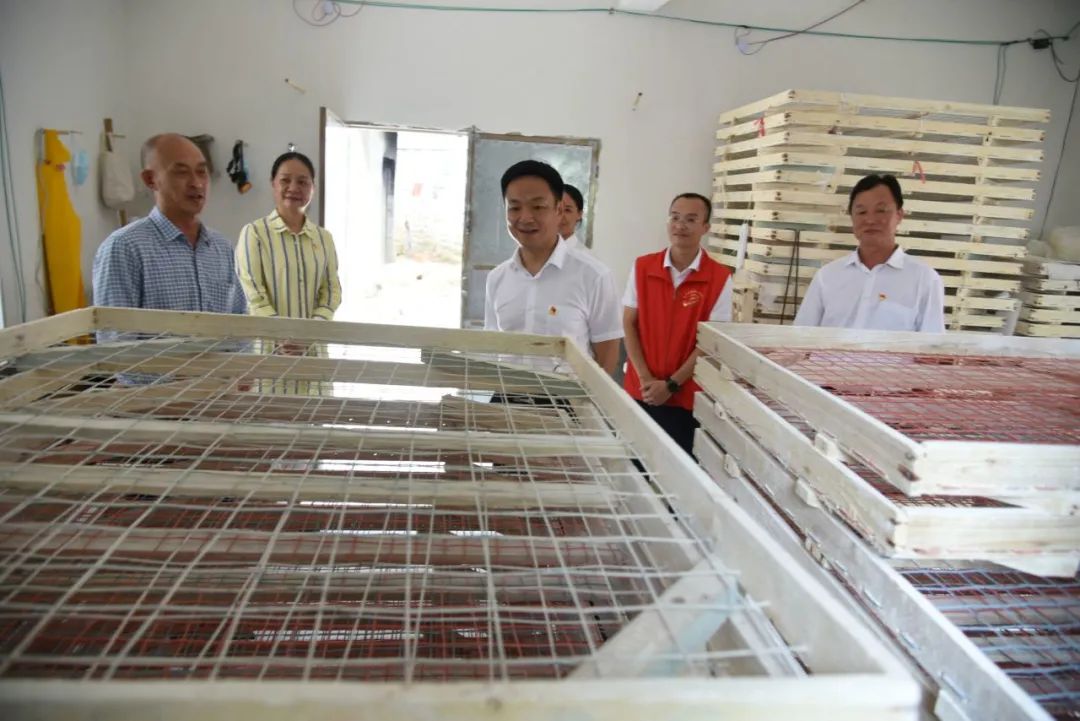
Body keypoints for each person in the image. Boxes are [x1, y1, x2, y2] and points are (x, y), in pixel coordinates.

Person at [484, 160, 622, 375]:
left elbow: (607, 354)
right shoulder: (497, 278)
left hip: (569, 393)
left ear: (558, 210)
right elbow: (492, 346)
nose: (525, 218)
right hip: (507, 391)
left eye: (538, 207)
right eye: (514, 207)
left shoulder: (594, 276)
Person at [623, 192, 732, 456]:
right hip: (641, 390)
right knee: (633, 464)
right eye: (675, 217)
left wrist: (672, 384)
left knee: (680, 467)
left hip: (686, 397)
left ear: (705, 227)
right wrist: (646, 379)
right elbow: (628, 324)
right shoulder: (643, 267)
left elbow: (710, 342)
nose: (680, 225)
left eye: (691, 219)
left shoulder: (719, 277)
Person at [92, 133, 246, 315]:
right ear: (150, 179)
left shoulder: (221, 247)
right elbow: (114, 330)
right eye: (181, 172)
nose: (196, 183)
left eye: (201, 172)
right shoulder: (124, 247)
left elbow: (239, 321)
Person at [794, 173, 945, 332]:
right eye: (861, 212)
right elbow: (799, 336)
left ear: (899, 215)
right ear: (852, 218)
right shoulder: (827, 277)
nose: (870, 220)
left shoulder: (924, 279)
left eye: (881, 210)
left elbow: (933, 343)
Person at [235, 151, 342, 321]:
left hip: (314, 336)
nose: (293, 188)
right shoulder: (254, 233)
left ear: (313, 187)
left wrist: (315, 326)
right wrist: (282, 332)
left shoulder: (324, 238)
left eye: (302, 182)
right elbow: (253, 294)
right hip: (267, 337)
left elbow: (331, 291)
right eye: (285, 180)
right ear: (273, 183)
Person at [558, 183, 585, 250]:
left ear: (579, 214)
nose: (561, 216)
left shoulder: (584, 255)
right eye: (557, 209)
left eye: (567, 210)